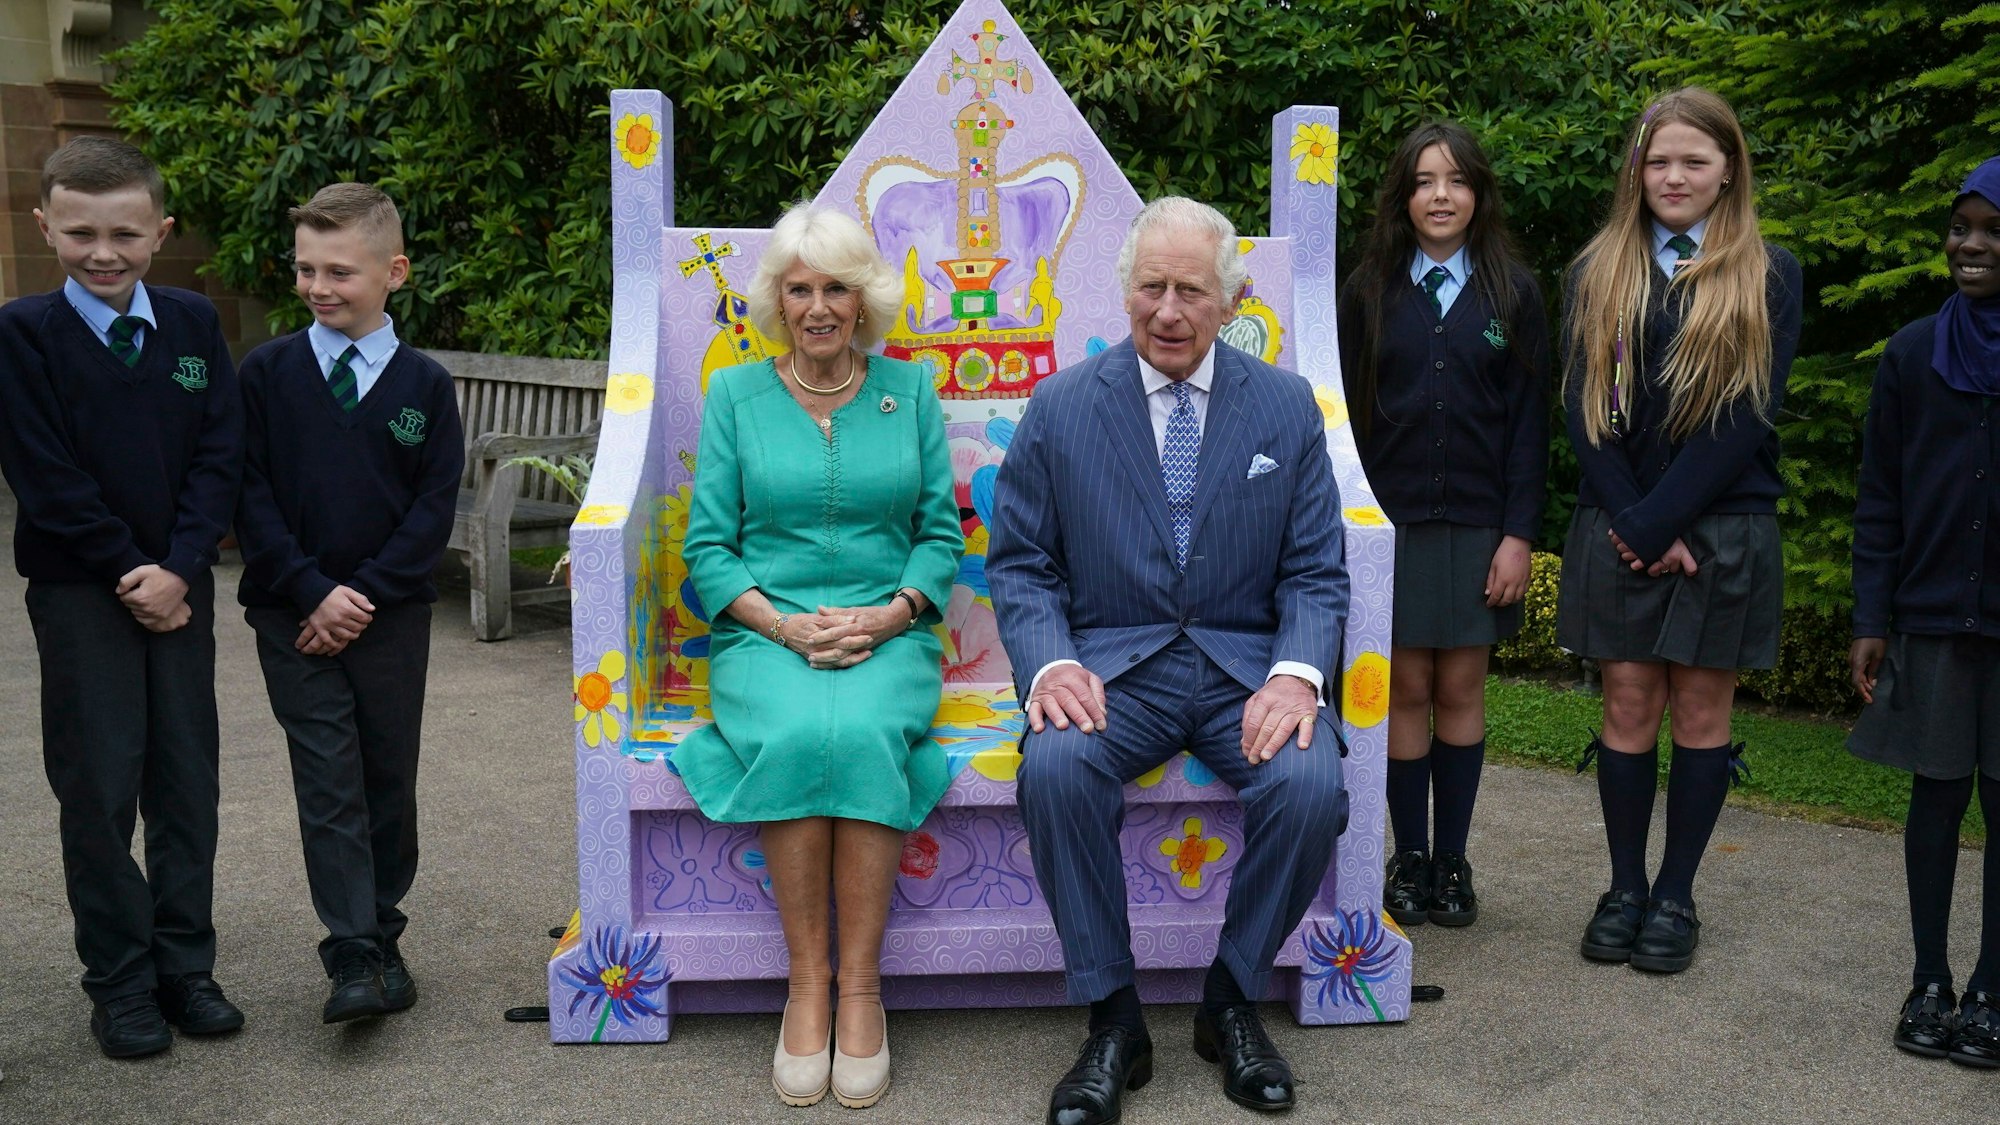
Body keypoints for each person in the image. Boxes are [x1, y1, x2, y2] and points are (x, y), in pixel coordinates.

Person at [988, 197, 1350, 1121]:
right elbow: (1022, 564)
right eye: (1152, 287)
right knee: (1058, 766)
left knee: (1311, 786)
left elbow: (1316, 569)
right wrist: (1049, 665)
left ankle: (1229, 1001)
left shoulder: (1285, 406)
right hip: (1114, 668)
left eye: (1192, 289)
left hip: (1244, 671)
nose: (1169, 310)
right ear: (1126, 293)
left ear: (1231, 299)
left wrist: (1296, 673)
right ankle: (1114, 1018)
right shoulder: (1063, 406)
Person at [675, 204, 961, 1109]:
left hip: (890, 632)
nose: (819, 306)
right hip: (766, 634)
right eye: (800, 288)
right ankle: (807, 986)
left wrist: (888, 616)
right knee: (801, 731)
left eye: (836, 285)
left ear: (863, 298)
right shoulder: (735, 396)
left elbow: (939, 536)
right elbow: (710, 549)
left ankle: (862, 987)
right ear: (779, 301)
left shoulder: (909, 393)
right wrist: (783, 625)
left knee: (868, 728)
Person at [0, 136, 243, 1057]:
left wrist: (180, 567)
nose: (103, 252)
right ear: (45, 226)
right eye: (79, 233)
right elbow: (44, 473)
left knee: (186, 783)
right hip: (81, 595)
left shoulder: (190, 323)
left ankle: (186, 965)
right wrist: (128, 571)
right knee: (98, 787)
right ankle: (121, 979)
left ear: (161, 231)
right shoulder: (22, 335)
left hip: (178, 593)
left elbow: (220, 452)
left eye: (125, 235)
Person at [1557, 87, 1802, 974]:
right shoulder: (1598, 271)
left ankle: (1676, 895)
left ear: (1727, 168)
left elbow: (1748, 417)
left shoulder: (1769, 273)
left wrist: (1663, 519)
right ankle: (1624, 887)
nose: (1673, 176)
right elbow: (1587, 413)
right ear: (1637, 170)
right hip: (1622, 520)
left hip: (1721, 526)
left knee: (1700, 711)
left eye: (1694, 160)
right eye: (1658, 160)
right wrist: (1637, 520)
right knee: (1627, 703)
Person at [233, 183, 464, 1024]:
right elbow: (247, 492)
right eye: (304, 270)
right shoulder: (265, 373)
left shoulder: (425, 387)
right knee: (327, 775)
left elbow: (431, 508)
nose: (318, 287)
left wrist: (359, 595)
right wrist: (310, 590)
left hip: (387, 617)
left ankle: (384, 928)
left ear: (393, 271)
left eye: (339, 270)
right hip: (289, 612)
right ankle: (352, 955)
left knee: (383, 771)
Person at [1338, 121, 1549, 929]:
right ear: (1403, 194)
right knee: (1403, 691)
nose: (1440, 195)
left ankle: (1454, 861)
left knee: (1459, 687)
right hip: (1388, 530)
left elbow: (1529, 424)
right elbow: (1345, 417)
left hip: (1478, 529)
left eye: (1456, 180)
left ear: (1478, 194)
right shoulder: (1366, 290)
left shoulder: (1513, 294)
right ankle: (1409, 857)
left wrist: (1518, 533)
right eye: (1424, 180)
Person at [1847, 155, 2000, 1068]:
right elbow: (1881, 501)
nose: (1969, 246)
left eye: (1991, 232)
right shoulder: (1912, 354)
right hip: (1934, 621)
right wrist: (1873, 617)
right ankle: (1932, 978)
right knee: (1936, 800)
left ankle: (1991, 990)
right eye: (1960, 228)